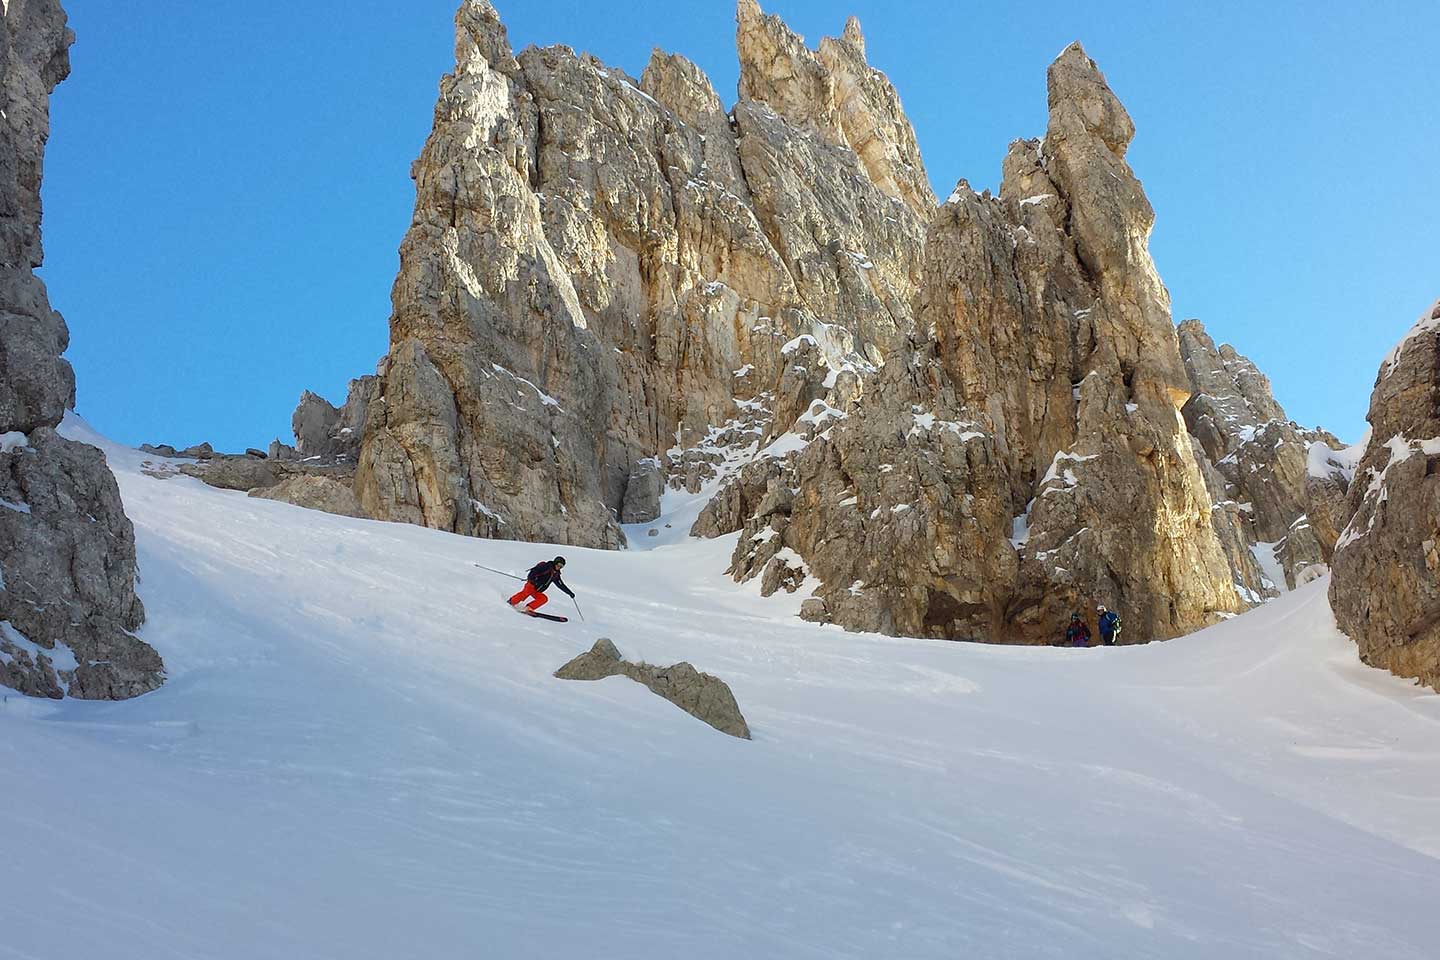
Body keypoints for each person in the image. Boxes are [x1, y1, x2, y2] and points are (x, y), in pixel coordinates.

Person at [509, 556, 574, 614]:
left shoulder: (556, 574)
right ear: (555, 562)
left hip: (537, 590)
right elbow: (534, 571)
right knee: (525, 593)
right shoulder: (546, 566)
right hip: (531, 585)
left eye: (562, 566)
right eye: (559, 564)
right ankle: (511, 602)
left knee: (543, 598)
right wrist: (532, 579)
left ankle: (528, 608)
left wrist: (569, 593)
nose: (559, 567)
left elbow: (561, 585)